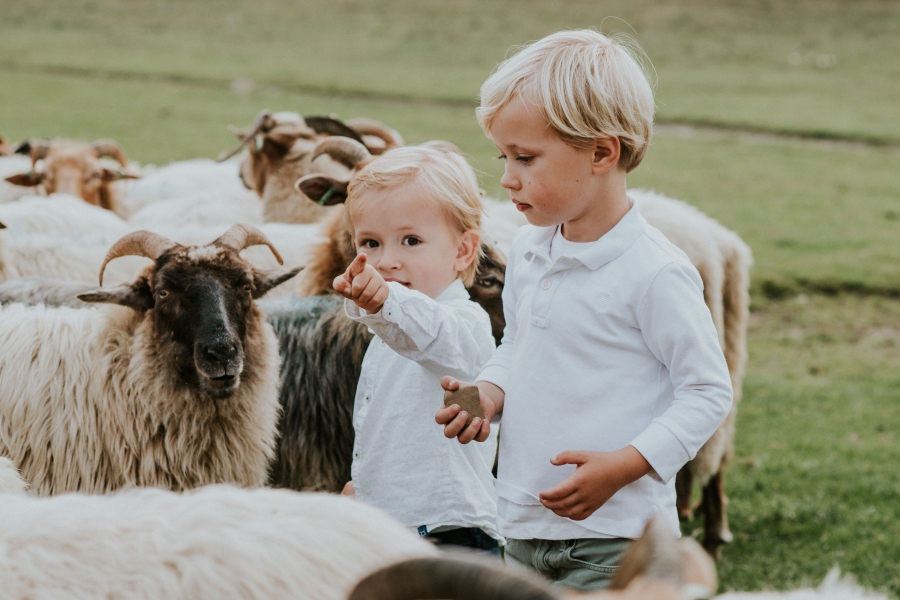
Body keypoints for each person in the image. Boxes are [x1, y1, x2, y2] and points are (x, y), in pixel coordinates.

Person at [436, 29, 733, 590]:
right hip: (522, 523)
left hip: (618, 538)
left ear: (601, 152)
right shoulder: (529, 250)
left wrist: (624, 466)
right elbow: (518, 347)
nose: (506, 177)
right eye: (504, 156)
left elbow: (707, 390)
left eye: (525, 158)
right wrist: (490, 394)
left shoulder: (655, 272)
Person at [334, 142, 501, 553]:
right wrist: (366, 488)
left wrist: (385, 302)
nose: (386, 260)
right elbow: (390, 431)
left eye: (410, 240)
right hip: (391, 530)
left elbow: (435, 339)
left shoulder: (466, 324)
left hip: (451, 530)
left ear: (463, 251)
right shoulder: (387, 339)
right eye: (370, 243)